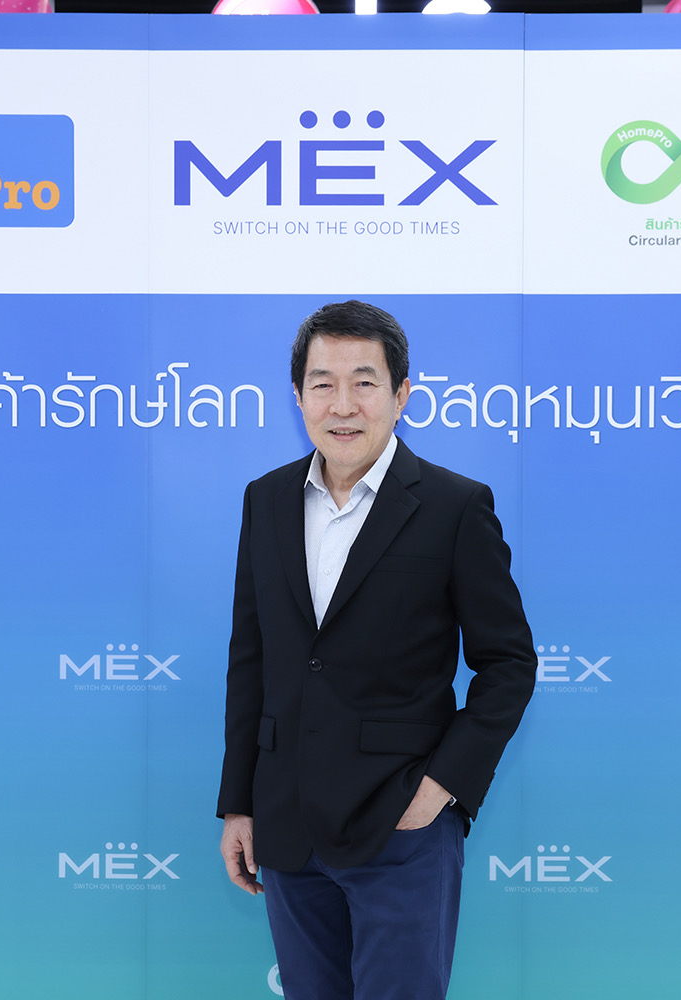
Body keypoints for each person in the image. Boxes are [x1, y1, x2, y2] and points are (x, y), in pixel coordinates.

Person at [217, 300, 537, 1000]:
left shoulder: (455, 506)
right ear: (298, 394)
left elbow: (509, 663)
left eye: (364, 382)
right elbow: (252, 658)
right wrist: (239, 803)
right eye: (323, 383)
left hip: (401, 827)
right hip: (288, 825)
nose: (343, 405)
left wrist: (439, 792)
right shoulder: (265, 500)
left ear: (401, 395)